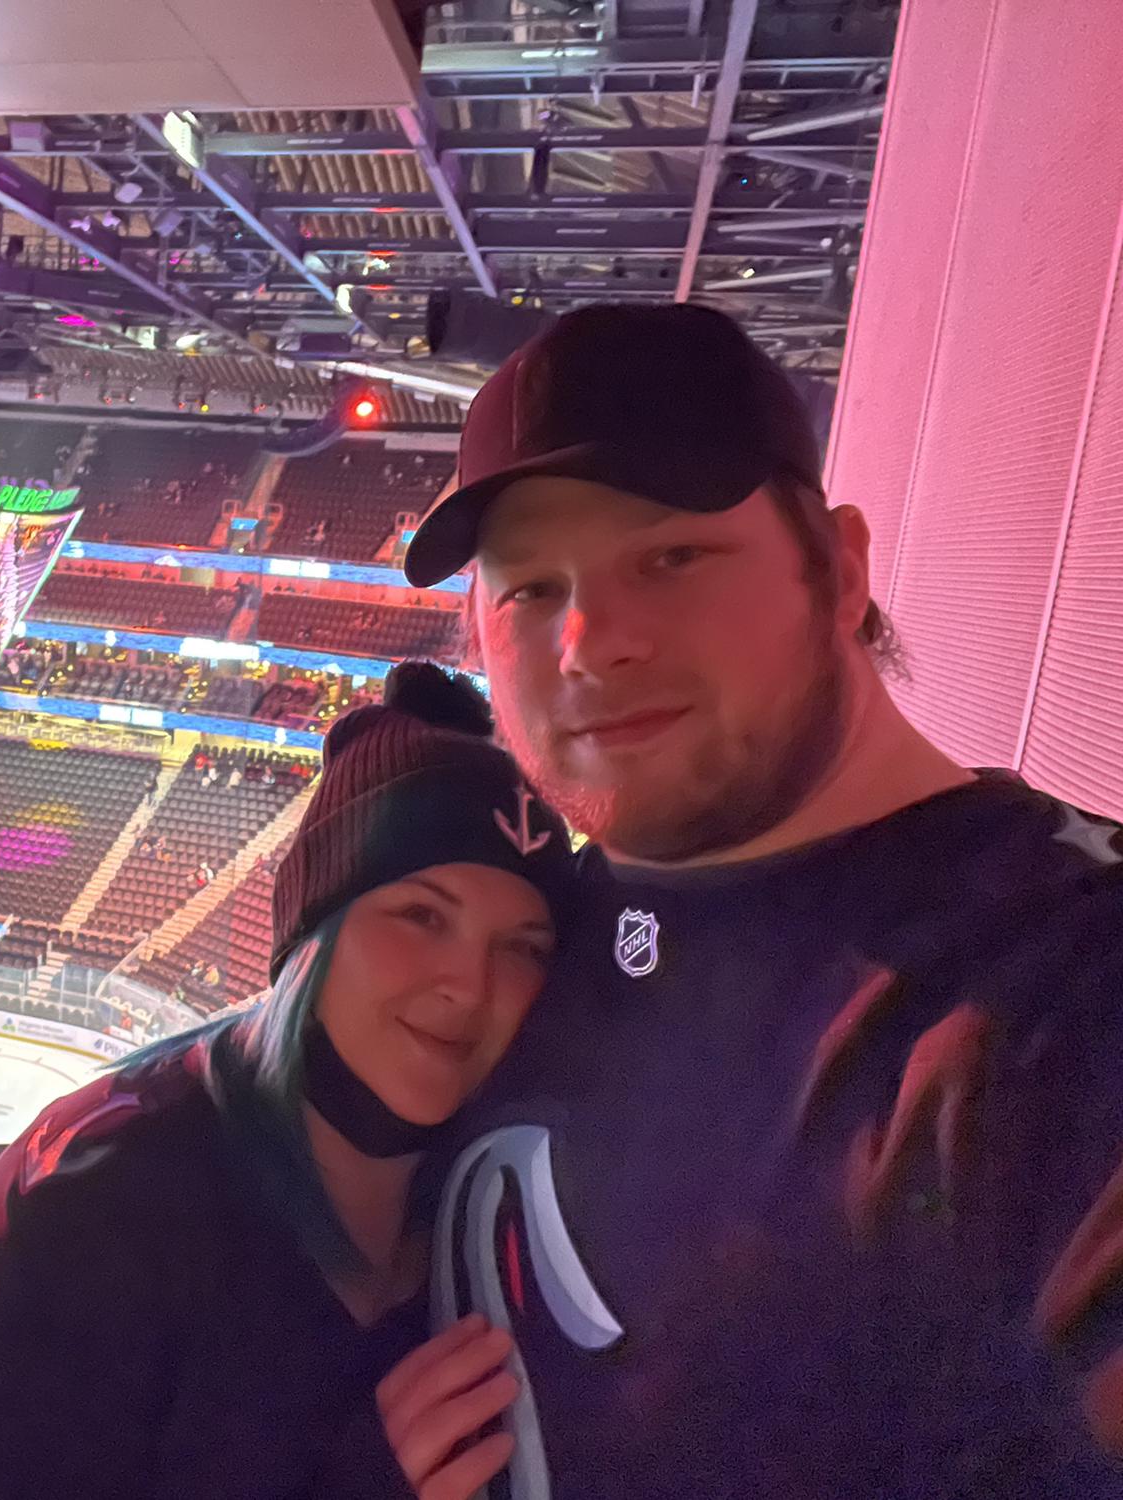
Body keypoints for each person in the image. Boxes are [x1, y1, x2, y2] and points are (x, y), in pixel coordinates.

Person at [399, 302, 1123, 1497]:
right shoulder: (515, 941)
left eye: (670, 558)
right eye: (528, 588)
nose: (588, 642)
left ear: (838, 570)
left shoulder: (1065, 982)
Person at [0, 662, 575, 1499]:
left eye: (523, 947)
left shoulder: (499, 1205)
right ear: (314, 933)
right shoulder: (99, 1206)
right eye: (421, 915)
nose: (471, 985)